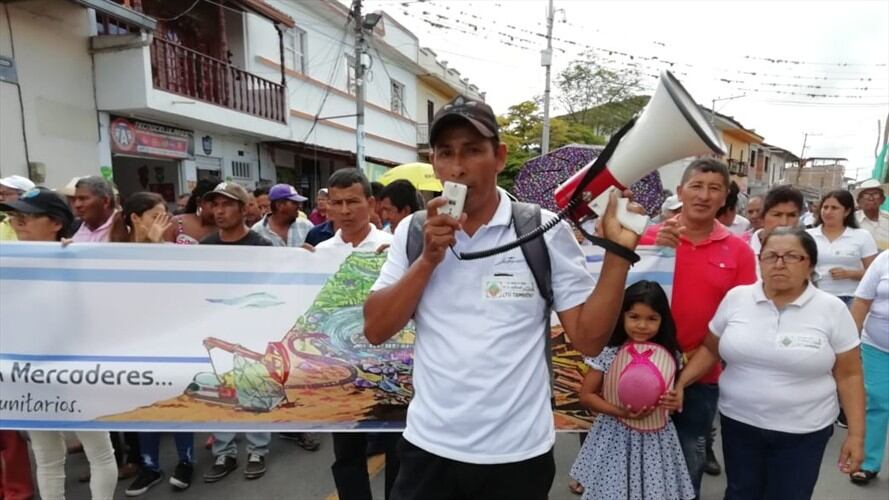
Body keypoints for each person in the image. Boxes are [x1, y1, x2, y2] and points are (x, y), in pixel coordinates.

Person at [364, 95, 642, 499]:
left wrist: (618, 255)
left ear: (499, 157)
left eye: (473, 151)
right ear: (434, 162)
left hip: (517, 455)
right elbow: (375, 329)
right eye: (446, 153)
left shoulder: (542, 230)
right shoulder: (413, 230)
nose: (458, 167)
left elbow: (589, 339)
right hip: (429, 446)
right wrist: (427, 260)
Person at [673, 227, 866, 500]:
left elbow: (850, 376)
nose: (779, 264)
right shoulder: (737, 299)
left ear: (809, 263)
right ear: (760, 260)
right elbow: (709, 349)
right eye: (770, 256)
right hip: (740, 423)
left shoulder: (831, 309)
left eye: (791, 257)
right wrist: (681, 382)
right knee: (740, 493)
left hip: (804, 430)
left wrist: (856, 436)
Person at [639, 159, 757, 497]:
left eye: (714, 188)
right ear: (680, 193)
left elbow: (739, 318)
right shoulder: (649, 238)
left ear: (724, 199)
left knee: (687, 465)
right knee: (641, 465)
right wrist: (651, 249)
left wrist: (690, 369)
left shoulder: (739, 252)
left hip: (701, 379)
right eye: (696, 186)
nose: (704, 195)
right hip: (642, 371)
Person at [1, 187, 119, 500]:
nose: (18, 223)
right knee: (46, 455)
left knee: (99, 451)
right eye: (15, 216)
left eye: (27, 216)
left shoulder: (78, 260)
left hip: (77, 370)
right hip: (28, 372)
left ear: (55, 223)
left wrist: (74, 260)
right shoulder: (8, 262)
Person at [313, 169, 399, 500]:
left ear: (371, 203)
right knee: (347, 452)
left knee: (397, 449)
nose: (345, 210)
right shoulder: (321, 253)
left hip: (389, 365)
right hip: (341, 368)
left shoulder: (394, 248)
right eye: (337, 203)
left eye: (353, 201)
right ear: (328, 207)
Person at [569, 280, 694, 500]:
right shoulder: (609, 352)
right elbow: (586, 396)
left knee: (652, 491)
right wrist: (621, 412)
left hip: (655, 439)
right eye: (634, 317)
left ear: (662, 320)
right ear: (621, 315)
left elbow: (670, 402)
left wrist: (673, 402)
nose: (642, 326)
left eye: (651, 318)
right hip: (614, 435)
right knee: (612, 491)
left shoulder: (669, 356)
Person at [198, 182, 273, 482]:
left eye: (227, 204)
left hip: (253, 329)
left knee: (253, 386)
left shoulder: (262, 247)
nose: (219, 211)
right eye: (215, 204)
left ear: (244, 209)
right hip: (217, 329)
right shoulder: (205, 247)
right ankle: (224, 452)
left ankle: (257, 450)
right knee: (223, 389)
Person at [849, 249, 889, 485]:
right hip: (877, 345)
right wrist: (850, 341)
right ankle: (868, 462)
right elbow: (862, 300)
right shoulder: (884, 259)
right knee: (877, 401)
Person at [807, 190, 878, 306]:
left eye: (834, 208)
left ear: (847, 211)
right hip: (815, 297)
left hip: (851, 297)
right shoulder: (808, 236)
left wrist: (850, 274)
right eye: (825, 207)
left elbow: (874, 274)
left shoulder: (862, 236)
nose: (828, 212)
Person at [748, 186, 804, 257]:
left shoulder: (804, 252)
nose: (784, 223)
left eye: (791, 215)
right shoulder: (741, 250)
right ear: (762, 217)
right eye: (777, 215)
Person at [164, 180, 217, 244]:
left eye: (224, 205)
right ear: (199, 202)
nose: (219, 210)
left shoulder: (226, 228)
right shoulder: (176, 222)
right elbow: (164, 251)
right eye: (215, 204)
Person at [71, 176, 118, 242]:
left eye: (83, 199)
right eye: (74, 200)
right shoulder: (74, 229)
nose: (76, 205)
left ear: (105, 201)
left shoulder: (127, 227)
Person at [854, 180, 889, 250]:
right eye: (866, 195)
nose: (871, 198)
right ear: (859, 201)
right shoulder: (851, 220)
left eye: (876, 194)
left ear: (883, 200)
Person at [0, 175, 36, 241]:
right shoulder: (3, 224)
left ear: (25, 195)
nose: (1, 198)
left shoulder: (38, 225)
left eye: (6, 194)